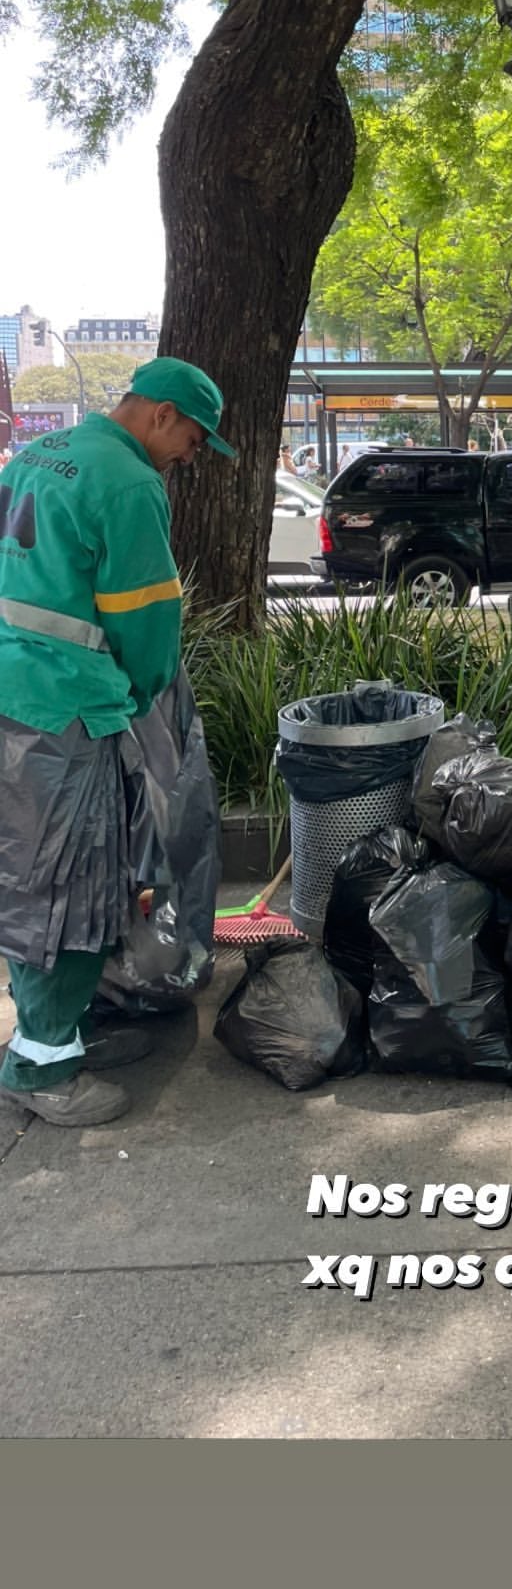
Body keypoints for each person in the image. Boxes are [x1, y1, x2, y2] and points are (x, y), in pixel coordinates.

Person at [0, 357, 235, 1127]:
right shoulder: (130, 482)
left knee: (26, 875)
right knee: (66, 885)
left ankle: (55, 1030)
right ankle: (43, 1068)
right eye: (195, 440)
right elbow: (146, 621)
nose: (191, 457)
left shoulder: (44, 451)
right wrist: (148, 701)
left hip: (15, 693)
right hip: (68, 705)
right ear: (162, 415)